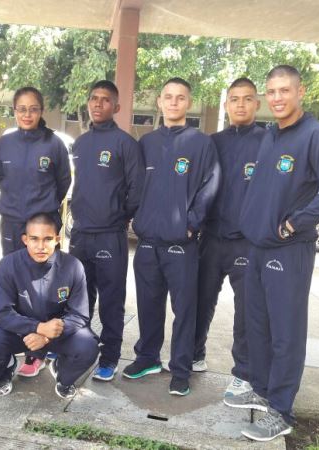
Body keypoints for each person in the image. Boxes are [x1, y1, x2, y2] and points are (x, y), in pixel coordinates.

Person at [224, 65, 319, 442]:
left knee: (286, 333)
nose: (277, 98)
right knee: (258, 326)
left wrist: (295, 223)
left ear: (300, 92)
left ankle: (281, 410)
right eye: (272, 91)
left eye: (285, 90)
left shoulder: (315, 135)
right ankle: (263, 391)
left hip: (289, 249)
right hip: (258, 247)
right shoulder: (270, 135)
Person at [124, 78, 219, 396]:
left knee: (184, 310)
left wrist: (191, 224)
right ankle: (147, 358)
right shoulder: (147, 143)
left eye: (180, 97)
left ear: (189, 103)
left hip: (182, 243)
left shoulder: (201, 143)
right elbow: (135, 185)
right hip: (148, 242)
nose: (174, 102)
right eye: (168, 97)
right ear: (160, 102)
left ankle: (180, 369)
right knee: (148, 304)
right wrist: (136, 218)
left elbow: (210, 186)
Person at [194, 77, 266, 396]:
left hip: (246, 242)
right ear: (225, 105)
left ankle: (243, 373)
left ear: (257, 104)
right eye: (234, 99)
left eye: (247, 99)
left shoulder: (268, 142)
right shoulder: (212, 142)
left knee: (246, 309)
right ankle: (194, 354)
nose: (240, 104)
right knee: (200, 299)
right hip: (211, 237)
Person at [0, 212, 98, 399]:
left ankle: (63, 374)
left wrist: (47, 336)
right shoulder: (8, 265)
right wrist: (38, 327)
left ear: (57, 239)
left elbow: (79, 315)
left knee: (88, 346)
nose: (41, 246)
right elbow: (3, 313)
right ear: (25, 239)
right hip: (20, 332)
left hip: (57, 333)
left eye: (47, 239)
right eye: (34, 239)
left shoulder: (73, 266)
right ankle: (4, 372)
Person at [0, 86, 71, 377]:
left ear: (41, 111)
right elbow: (0, 176)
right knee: (14, 284)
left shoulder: (54, 144)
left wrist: (42, 211)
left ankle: (40, 351)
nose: (27, 114)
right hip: (12, 223)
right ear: (14, 111)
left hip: (43, 226)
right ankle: (15, 341)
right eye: (22, 109)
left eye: (33, 109)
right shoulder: (5, 143)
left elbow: (63, 183)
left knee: (43, 288)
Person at [69, 80, 143, 381]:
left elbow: (137, 189)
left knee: (111, 300)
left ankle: (110, 357)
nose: (98, 104)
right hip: (80, 234)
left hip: (110, 235)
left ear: (116, 106)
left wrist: (121, 216)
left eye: (105, 100)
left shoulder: (125, 144)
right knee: (79, 299)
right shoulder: (80, 143)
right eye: (94, 98)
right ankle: (81, 351)